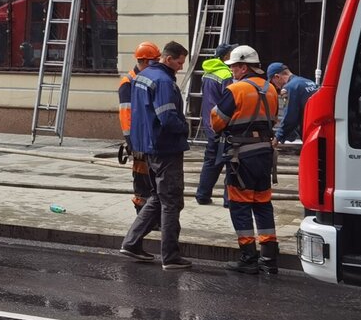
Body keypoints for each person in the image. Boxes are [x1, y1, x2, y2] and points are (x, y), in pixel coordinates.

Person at [119, 40, 192, 269]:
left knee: (158, 198)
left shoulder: (143, 76)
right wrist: (185, 127)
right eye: (179, 63)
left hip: (149, 147)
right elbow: (168, 117)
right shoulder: (162, 81)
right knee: (171, 201)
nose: (181, 67)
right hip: (165, 147)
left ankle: (131, 244)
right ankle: (170, 257)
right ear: (168, 59)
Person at [210, 45, 279, 275]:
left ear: (242, 66)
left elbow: (217, 121)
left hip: (241, 155)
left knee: (240, 206)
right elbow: (274, 118)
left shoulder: (236, 89)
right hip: (265, 155)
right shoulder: (271, 89)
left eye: (233, 67)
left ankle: (248, 258)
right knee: (262, 203)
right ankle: (269, 257)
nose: (231, 71)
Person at [118, 41, 160, 215]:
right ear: (144, 61)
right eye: (153, 61)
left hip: (148, 137)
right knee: (142, 178)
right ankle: (142, 213)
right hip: (137, 139)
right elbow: (126, 114)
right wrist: (131, 142)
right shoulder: (128, 82)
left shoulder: (146, 79)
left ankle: (152, 215)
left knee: (152, 177)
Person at [194, 44, 235, 206]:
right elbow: (230, 102)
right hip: (223, 125)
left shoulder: (208, 72)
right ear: (226, 56)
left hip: (210, 124)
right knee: (231, 162)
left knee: (211, 162)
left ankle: (202, 195)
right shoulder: (226, 75)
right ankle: (228, 200)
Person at [266, 62, 316, 143]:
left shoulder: (290, 87)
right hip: (319, 129)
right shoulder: (309, 82)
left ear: (277, 77)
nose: (275, 86)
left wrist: (278, 137)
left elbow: (290, 117)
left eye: (273, 82)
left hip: (310, 133)